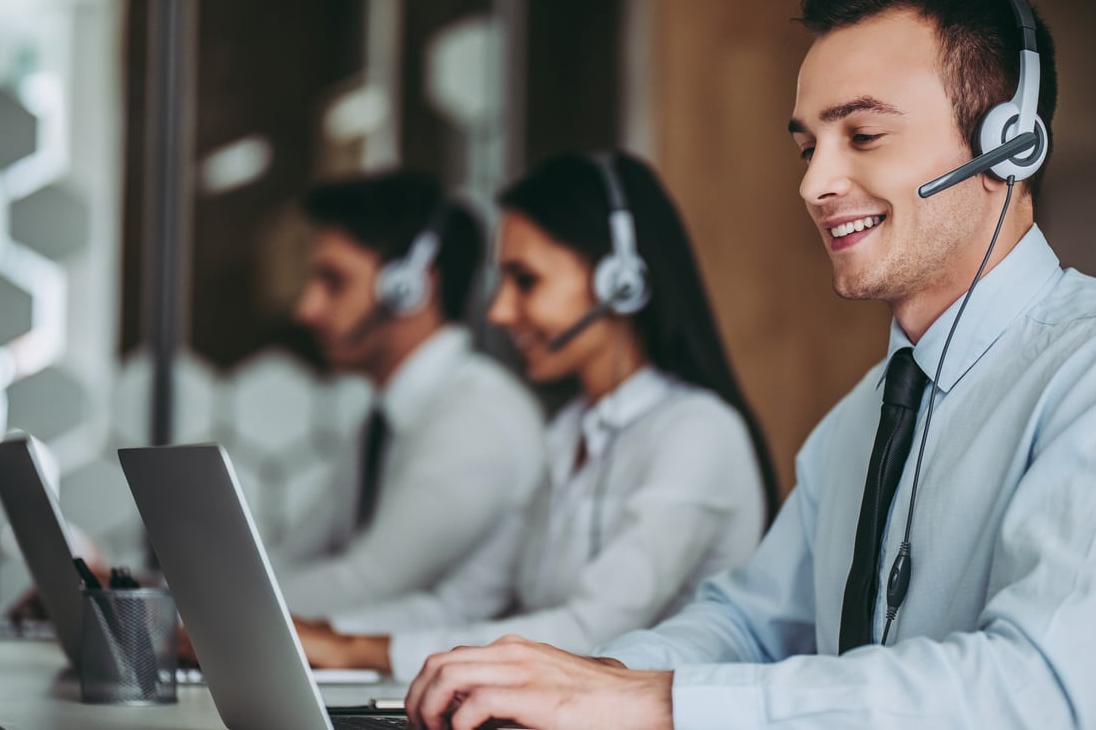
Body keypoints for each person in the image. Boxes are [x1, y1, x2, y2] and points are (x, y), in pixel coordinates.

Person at [400, 0, 1096, 729]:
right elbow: (746, 625)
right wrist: (561, 683)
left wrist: (658, 702)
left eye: (863, 134)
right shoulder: (865, 417)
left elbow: (1038, 693)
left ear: (1010, 143)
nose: (816, 183)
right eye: (809, 144)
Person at [293, 152, 780, 681]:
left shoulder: (697, 433)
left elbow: (590, 632)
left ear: (620, 281)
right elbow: (467, 605)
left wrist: (359, 653)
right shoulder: (566, 433)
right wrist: (324, 637)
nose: (500, 312)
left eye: (525, 281)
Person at [271, 171, 548, 620]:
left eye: (334, 282)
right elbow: (289, 560)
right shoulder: (385, 420)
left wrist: (178, 615)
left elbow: (365, 586)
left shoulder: (477, 418)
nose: (307, 309)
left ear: (411, 286)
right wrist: (152, 595)